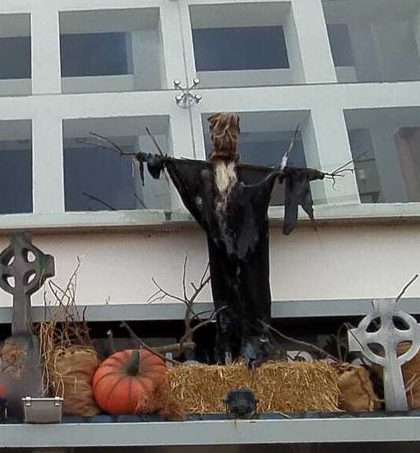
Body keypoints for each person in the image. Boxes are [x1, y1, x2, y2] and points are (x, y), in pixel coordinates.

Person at [136, 113, 327, 364]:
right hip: (221, 249)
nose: (225, 138)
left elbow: (269, 183)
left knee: (253, 296)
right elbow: (186, 178)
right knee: (226, 304)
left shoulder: (252, 177)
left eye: (231, 133)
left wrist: (295, 176)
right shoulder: (207, 177)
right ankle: (231, 349)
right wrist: (162, 164)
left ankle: (254, 345)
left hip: (252, 248)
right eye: (220, 132)